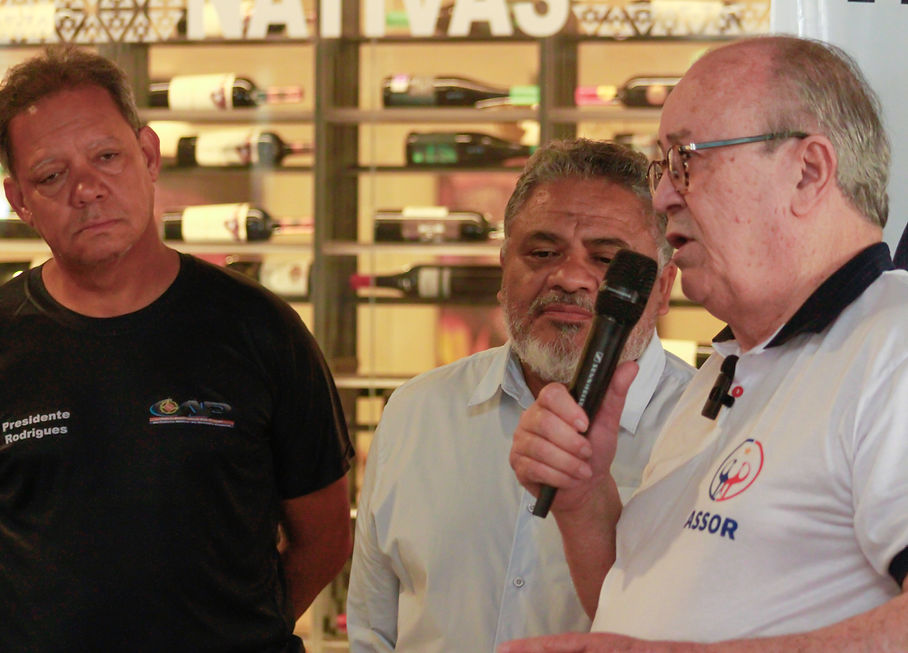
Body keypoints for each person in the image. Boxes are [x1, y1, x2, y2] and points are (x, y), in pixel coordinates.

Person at [0, 45, 353, 652]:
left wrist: (235, 630)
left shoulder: (261, 329)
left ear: (148, 155)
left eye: (107, 156)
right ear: (20, 199)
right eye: (52, 175)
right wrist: (41, 629)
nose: (87, 189)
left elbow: (326, 538)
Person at [505, 35, 908, 652]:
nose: (664, 194)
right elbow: (635, 606)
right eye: (661, 166)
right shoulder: (729, 365)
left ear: (807, 172)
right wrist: (585, 498)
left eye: (686, 158)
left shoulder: (892, 345)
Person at [347, 138, 695, 652]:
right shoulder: (418, 412)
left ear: (662, 288)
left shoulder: (705, 433)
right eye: (542, 252)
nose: (571, 277)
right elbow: (374, 633)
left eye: (606, 259)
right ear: (503, 265)